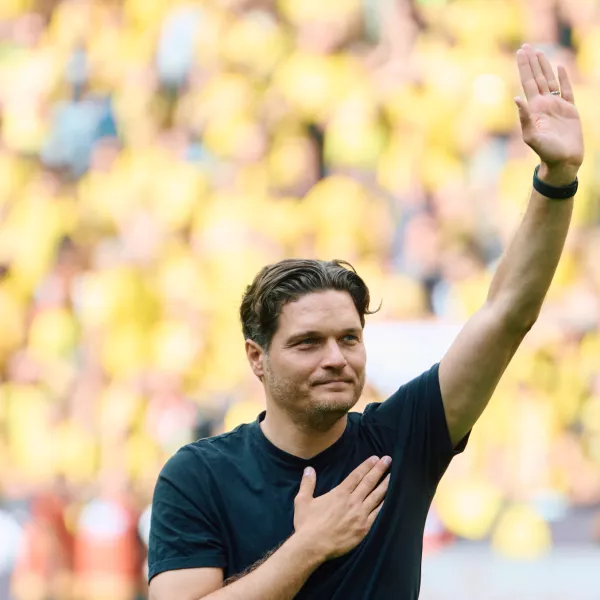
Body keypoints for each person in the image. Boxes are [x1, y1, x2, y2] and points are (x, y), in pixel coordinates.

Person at [147, 44, 584, 600]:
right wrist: (309, 547)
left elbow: (507, 313)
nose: (336, 357)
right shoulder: (198, 476)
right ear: (257, 357)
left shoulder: (404, 440)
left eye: (348, 338)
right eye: (308, 342)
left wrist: (557, 176)